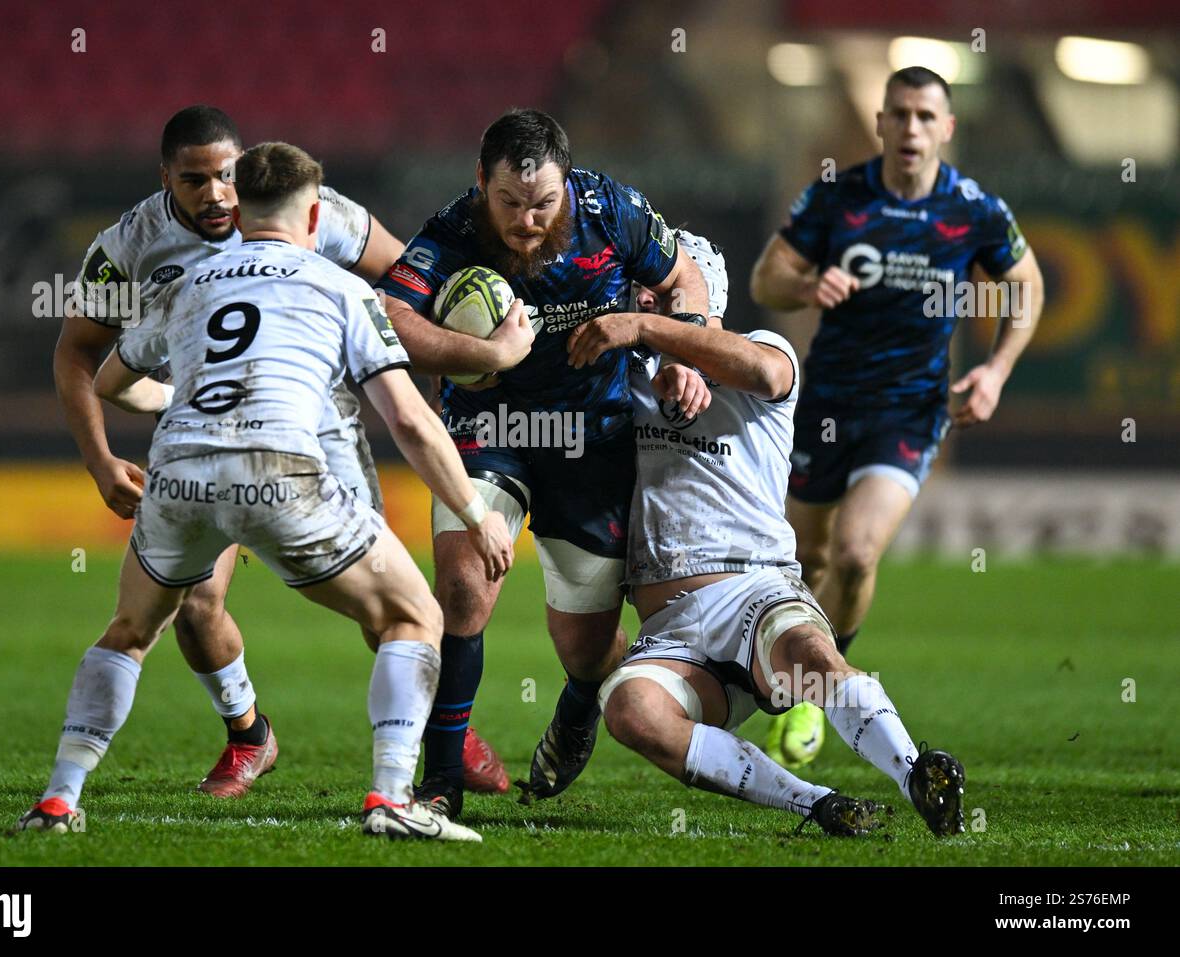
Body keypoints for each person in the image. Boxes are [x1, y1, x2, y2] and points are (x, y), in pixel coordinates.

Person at [15, 142, 514, 841]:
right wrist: (474, 513)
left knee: (130, 630)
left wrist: (179, 397)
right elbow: (407, 418)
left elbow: (108, 382)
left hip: (179, 471)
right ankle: (393, 798)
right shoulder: (341, 287)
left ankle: (59, 799)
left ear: (240, 210)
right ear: (316, 216)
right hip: (281, 471)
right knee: (413, 615)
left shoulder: (185, 284)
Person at [568, 233, 966, 836]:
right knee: (630, 711)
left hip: (753, 589)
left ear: (704, 296)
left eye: (664, 287)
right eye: (642, 288)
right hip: (668, 629)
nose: (645, 297)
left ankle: (916, 773)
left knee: (811, 656)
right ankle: (820, 805)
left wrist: (652, 333)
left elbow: (761, 371)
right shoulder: (625, 379)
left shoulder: (763, 349)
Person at [376, 109, 709, 818]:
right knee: (464, 587)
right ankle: (440, 779)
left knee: (586, 649)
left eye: (543, 204)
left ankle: (582, 700)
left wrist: (682, 349)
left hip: (592, 437)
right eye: (510, 203)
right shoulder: (453, 231)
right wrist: (478, 356)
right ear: (480, 185)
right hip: (487, 425)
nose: (527, 220)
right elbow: (391, 316)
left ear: (568, 184)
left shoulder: (612, 208)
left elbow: (686, 281)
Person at [749, 66, 1044, 767]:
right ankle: (786, 668)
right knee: (803, 558)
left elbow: (1026, 287)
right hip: (825, 408)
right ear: (880, 123)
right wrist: (808, 281)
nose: (911, 128)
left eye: (924, 116)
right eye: (899, 114)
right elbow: (767, 278)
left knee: (854, 554)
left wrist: (997, 371)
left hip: (909, 414)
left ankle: (812, 695)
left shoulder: (973, 209)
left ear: (947, 127)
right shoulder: (838, 198)